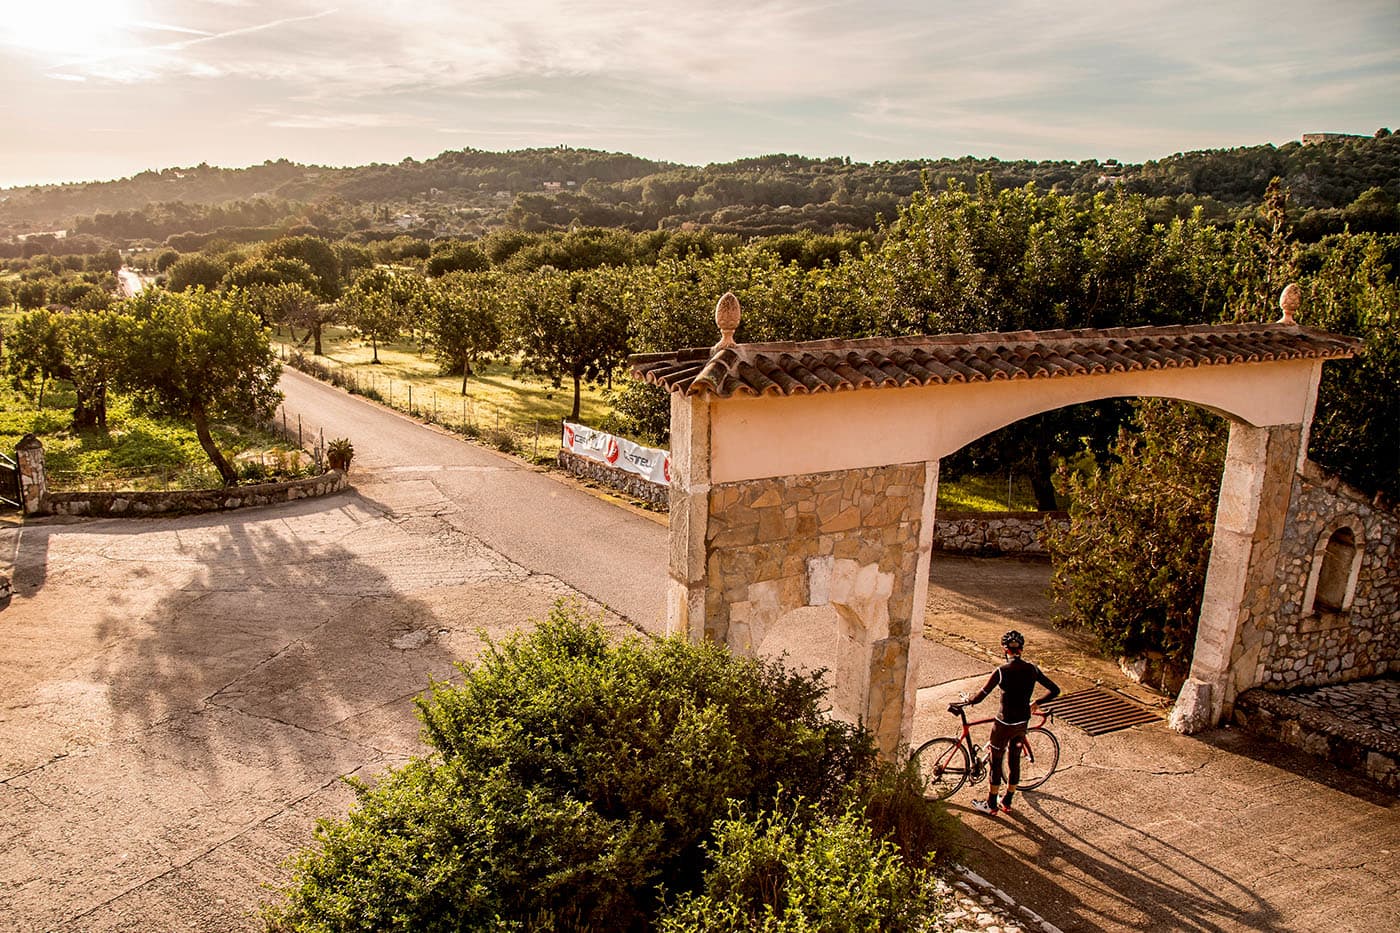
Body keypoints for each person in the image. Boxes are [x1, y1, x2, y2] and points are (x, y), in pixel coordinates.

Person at [950, 630, 1060, 815]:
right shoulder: (1032, 669)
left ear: (1005, 650)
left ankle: (991, 804)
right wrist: (1037, 703)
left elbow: (980, 697)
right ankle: (1007, 801)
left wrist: (968, 699)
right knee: (1014, 761)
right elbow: (1055, 690)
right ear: (1021, 650)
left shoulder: (1001, 672)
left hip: (1003, 723)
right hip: (1021, 723)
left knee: (996, 760)